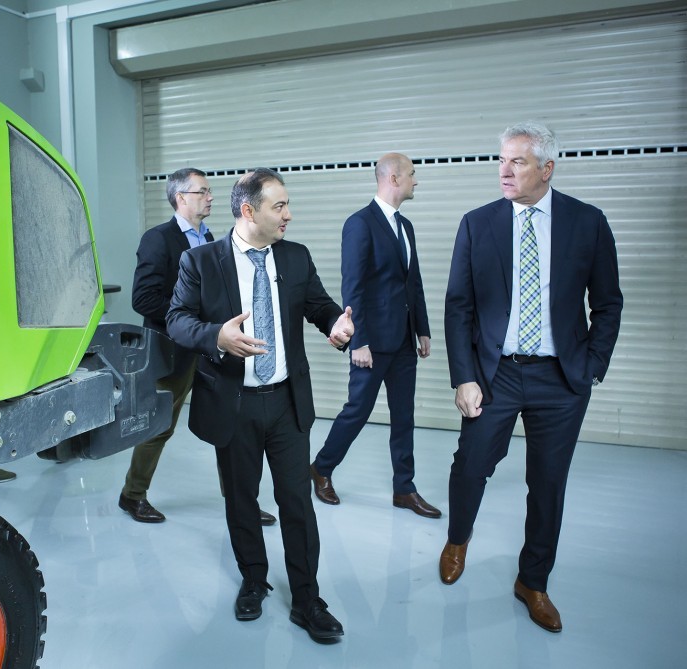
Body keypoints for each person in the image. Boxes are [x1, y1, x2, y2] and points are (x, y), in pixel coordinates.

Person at [441, 122, 622, 632]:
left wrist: (591, 365)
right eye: (501, 160)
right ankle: (458, 539)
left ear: (547, 168)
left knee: (547, 484)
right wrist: (464, 376)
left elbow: (608, 302)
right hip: (494, 374)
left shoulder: (587, 222)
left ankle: (533, 581)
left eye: (517, 162)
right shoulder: (477, 224)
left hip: (560, 379)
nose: (504, 171)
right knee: (470, 465)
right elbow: (458, 306)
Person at [166, 168, 353, 642]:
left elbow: (318, 305)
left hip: (287, 402)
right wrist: (217, 336)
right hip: (234, 405)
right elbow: (176, 321)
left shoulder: (295, 256)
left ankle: (307, 599)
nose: (289, 215)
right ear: (249, 211)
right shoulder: (201, 261)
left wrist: (336, 323)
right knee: (241, 500)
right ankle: (254, 580)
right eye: (279, 206)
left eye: (288, 205)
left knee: (296, 502)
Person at [118, 167, 276, 526]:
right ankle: (133, 495)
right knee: (159, 425)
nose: (210, 197)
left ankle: (239, 501)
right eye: (202, 191)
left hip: (213, 348)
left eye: (209, 191)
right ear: (181, 198)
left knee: (227, 424)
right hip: (172, 351)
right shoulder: (158, 239)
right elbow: (143, 298)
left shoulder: (211, 239)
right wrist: (189, 319)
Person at [310, 153, 439, 518]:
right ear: (394, 178)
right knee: (358, 411)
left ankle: (405, 489)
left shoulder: (406, 226)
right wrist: (359, 340)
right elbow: (352, 286)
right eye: (412, 174)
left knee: (404, 416)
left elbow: (413, 282)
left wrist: (423, 328)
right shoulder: (359, 224)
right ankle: (321, 468)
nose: (416, 180)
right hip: (372, 341)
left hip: (404, 340)